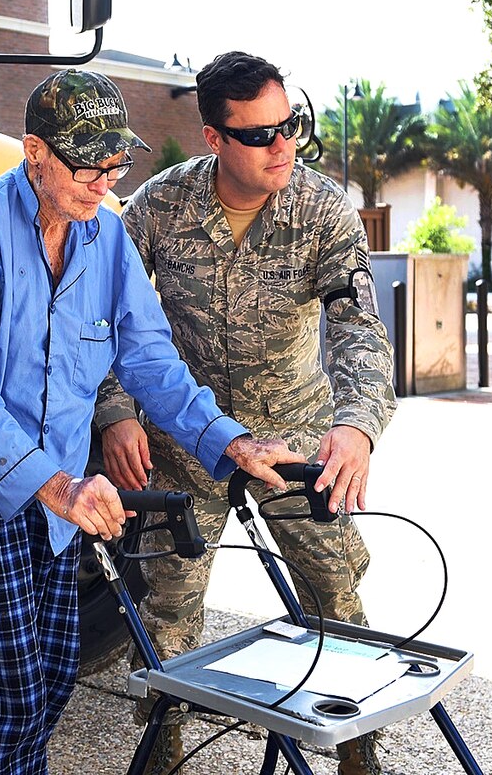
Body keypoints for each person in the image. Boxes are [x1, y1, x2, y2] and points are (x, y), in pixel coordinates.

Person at [0, 68, 306, 775]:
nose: (105, 184)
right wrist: (60, 486)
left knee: (53, 684)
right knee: (5, 700)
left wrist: (229, 440)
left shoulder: (105, 238)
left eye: (116, 167)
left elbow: (150, 360)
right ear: (34, 152)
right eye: (89, 167)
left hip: (57, 506)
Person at [95, 51, 396, 775]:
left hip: (292, 443)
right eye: (259, 134)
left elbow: (359, 328)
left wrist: (355, 425)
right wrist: (115, 412)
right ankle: (164, 742)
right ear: (214, 138)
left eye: (290, 126)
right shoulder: (159, 209)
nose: (282, 145)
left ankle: (357, 750)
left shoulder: (322, 207)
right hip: (184, 440)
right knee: (168, 612)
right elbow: (103, 320)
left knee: (335, 596)